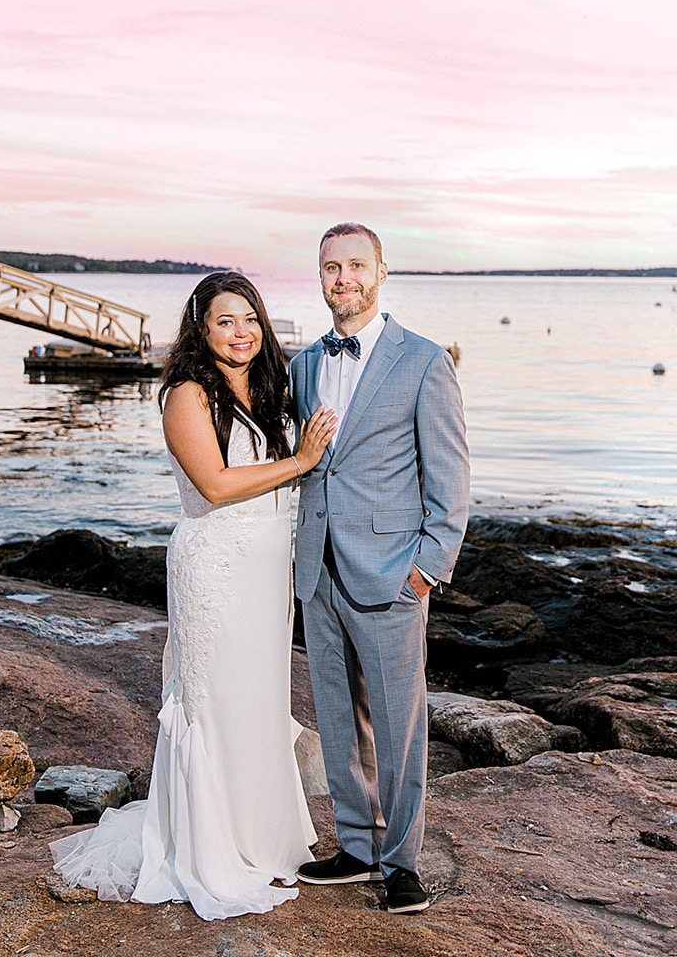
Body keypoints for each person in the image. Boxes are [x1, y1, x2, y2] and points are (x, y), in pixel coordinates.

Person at [50, 271, 336, 920]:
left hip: (268, 568)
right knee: (214, 699)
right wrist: (302, 461)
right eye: (225, 322)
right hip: (214, 567)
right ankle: (209, 847)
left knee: (260, 699)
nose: (241, 333)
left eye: (250, 320)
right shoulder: (187, 392)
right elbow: (213, 483)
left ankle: (264, 838)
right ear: (201, 330)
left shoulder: (267, 388)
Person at [289, 223, 470, 914]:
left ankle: (401, 864)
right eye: (331, 267)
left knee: (399, 727)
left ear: (381, 272)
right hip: (320, 573)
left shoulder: (422, 362)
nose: (343, 279)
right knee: (337, 719)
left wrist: (426, 569)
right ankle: (358, 849)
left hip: (392, 574)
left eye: (355, 265)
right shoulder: (305, 365)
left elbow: (450, 479)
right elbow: (308, 469)